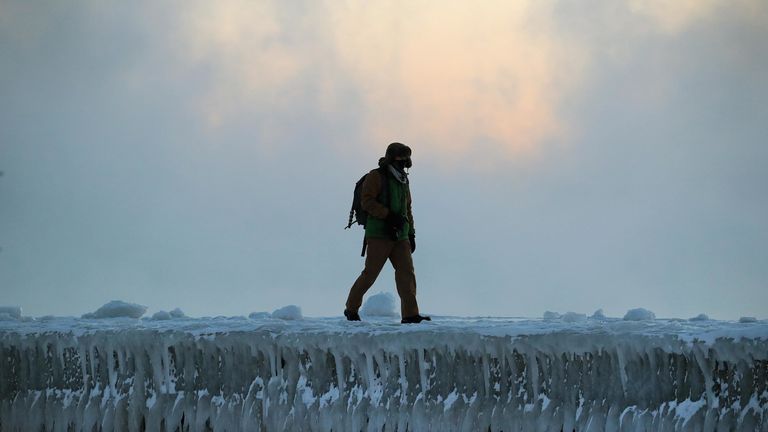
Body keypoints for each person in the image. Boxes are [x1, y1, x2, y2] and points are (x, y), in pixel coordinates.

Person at [344, 142, 431, 324]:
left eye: (407, 159)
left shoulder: (403, 180)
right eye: (402, 159)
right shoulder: (376, 177)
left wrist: (411, 233)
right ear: (391, 158)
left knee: (407, 274)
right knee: (370, 274)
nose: (405, 163)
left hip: (401, 236)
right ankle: (351, 308)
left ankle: (410, 314)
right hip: (379, 235)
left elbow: (408, 209)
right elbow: (367, 201)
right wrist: (388, 216)